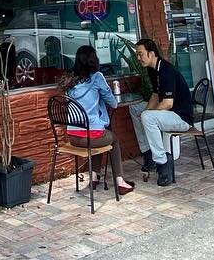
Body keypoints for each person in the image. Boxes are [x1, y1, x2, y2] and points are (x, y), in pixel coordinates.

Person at [64, 45, 134, 196]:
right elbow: (113, 103)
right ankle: (120, 182)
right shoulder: (97, 77)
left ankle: (94, 177)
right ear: (93, 60)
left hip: (73, 137)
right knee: (112, 140)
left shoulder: (71, 81)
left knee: (99, 135)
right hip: (90, 136)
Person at [127, 37, 193, 187]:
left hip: (181, 118)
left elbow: (167, 103)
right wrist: (146, 111)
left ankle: (162, 163)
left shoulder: (166, 70)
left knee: (147, 116)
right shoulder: (152, 70)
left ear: (151, 53)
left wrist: (148, 115)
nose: (138, 58)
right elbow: (156, 95)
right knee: (135, 108)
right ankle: (148, 154)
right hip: (169, 114)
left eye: (140, 54)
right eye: (137, 55)